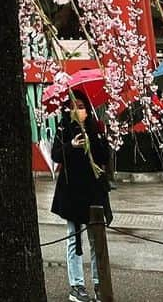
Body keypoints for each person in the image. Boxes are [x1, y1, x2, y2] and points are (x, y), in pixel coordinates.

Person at [50, 94, 111, 302]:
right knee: (73, 239)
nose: (79, 110)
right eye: (74, 107)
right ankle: (76, 285)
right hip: (71, 191)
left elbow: (105, 156)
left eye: (82, 106)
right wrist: (72, 146)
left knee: (96, 239)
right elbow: (56, 155)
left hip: (93, 191)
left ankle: (98, 282)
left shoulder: (95, 127)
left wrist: (95, 137)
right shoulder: (63, 128)